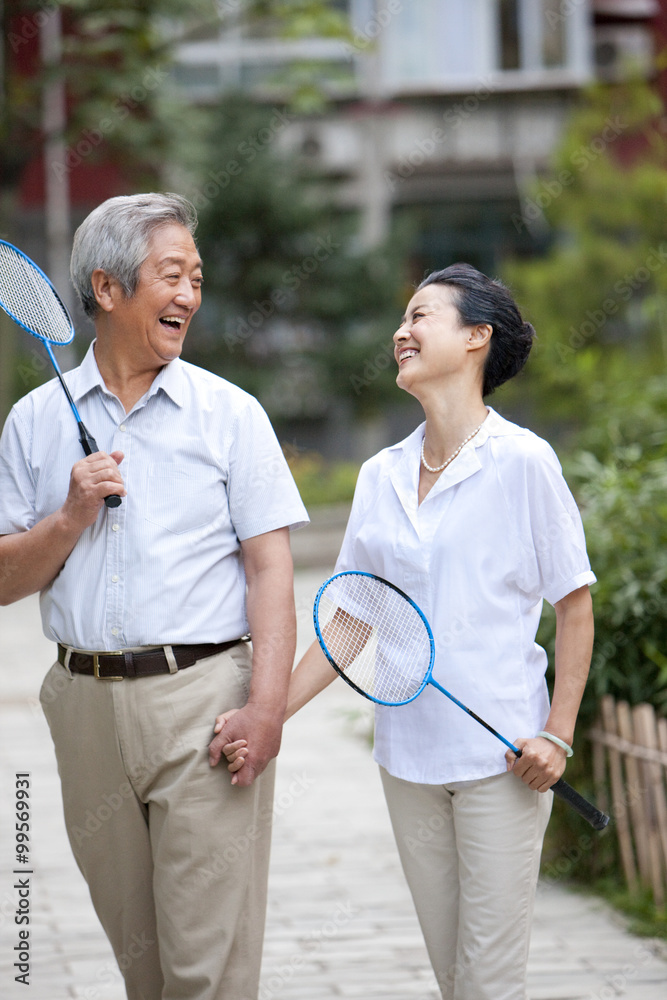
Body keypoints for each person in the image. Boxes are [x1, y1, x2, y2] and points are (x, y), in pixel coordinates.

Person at [221, 263, 595, 1000]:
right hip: (407, 760)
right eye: (402, 318)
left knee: (488, 983)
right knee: (454, 979)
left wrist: (556, 733)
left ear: (476, 338)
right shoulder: (379, 476)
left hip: (502, 761)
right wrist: (268, 716)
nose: (402, 331)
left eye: (422, 316)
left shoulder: (523, 461)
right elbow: (354, 620)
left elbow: (573, 605)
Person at [0, 192, 308, 1000]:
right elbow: (4, 580)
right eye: (172, 276)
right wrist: (69, 516)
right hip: (82, 708)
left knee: (205, 972)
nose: (189, 296)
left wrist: (267, 707)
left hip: (204, 703)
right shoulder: (34, 424)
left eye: (196, 279)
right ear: (106, 289)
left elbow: (271, 568)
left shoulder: (229, 415)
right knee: (144, 973)